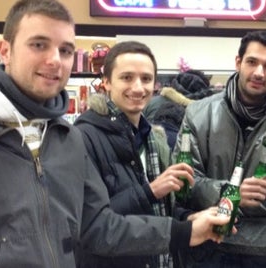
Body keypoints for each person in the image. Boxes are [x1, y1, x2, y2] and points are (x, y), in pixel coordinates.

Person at [0, 1, 229, 267]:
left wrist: (185, 231)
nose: (55, 60)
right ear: (5, 49)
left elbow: (98, 228)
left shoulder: (65, 138)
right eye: (39, 44)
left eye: (67, 50)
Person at [177, 30, 266, 267]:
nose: (259, 72)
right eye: (252, 62)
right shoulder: (198, 114)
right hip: (206, 249)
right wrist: (231, 193)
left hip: (265, 254)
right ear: (238, 62)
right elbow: (184, 186)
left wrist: (218, 198)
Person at [74, 41, 206, 267]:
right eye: (126, 78)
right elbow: (90, 224)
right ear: (106, 82)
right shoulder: (82, 137)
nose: (138, 88)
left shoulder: (155, 138)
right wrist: (150, 191)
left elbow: (161, 211)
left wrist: (188, 219)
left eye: (146, 79)